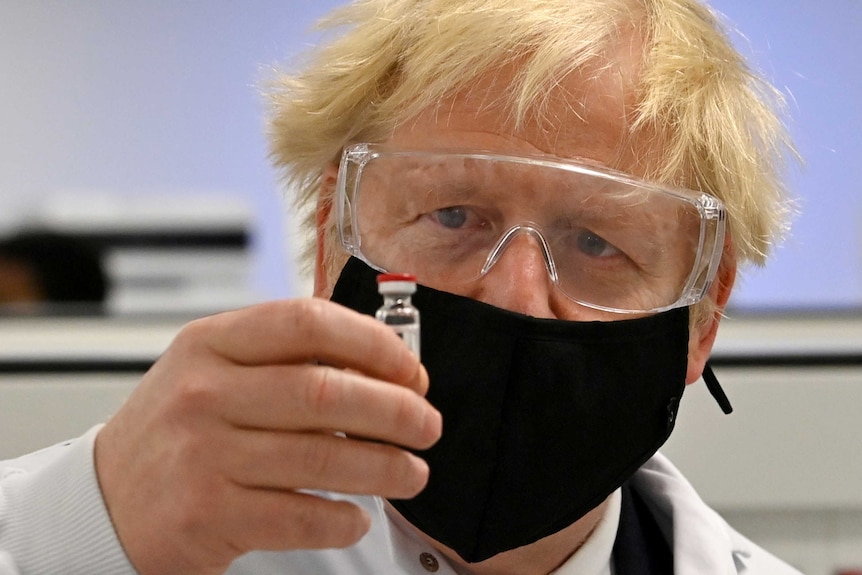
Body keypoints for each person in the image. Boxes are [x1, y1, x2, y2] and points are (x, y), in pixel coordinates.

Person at [0, 0, 802, 573]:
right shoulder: (141, 538)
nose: (516, 296)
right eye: (454, 215)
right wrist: (93, 531)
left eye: (596, 240)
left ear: (702, 319)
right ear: (331, 238)